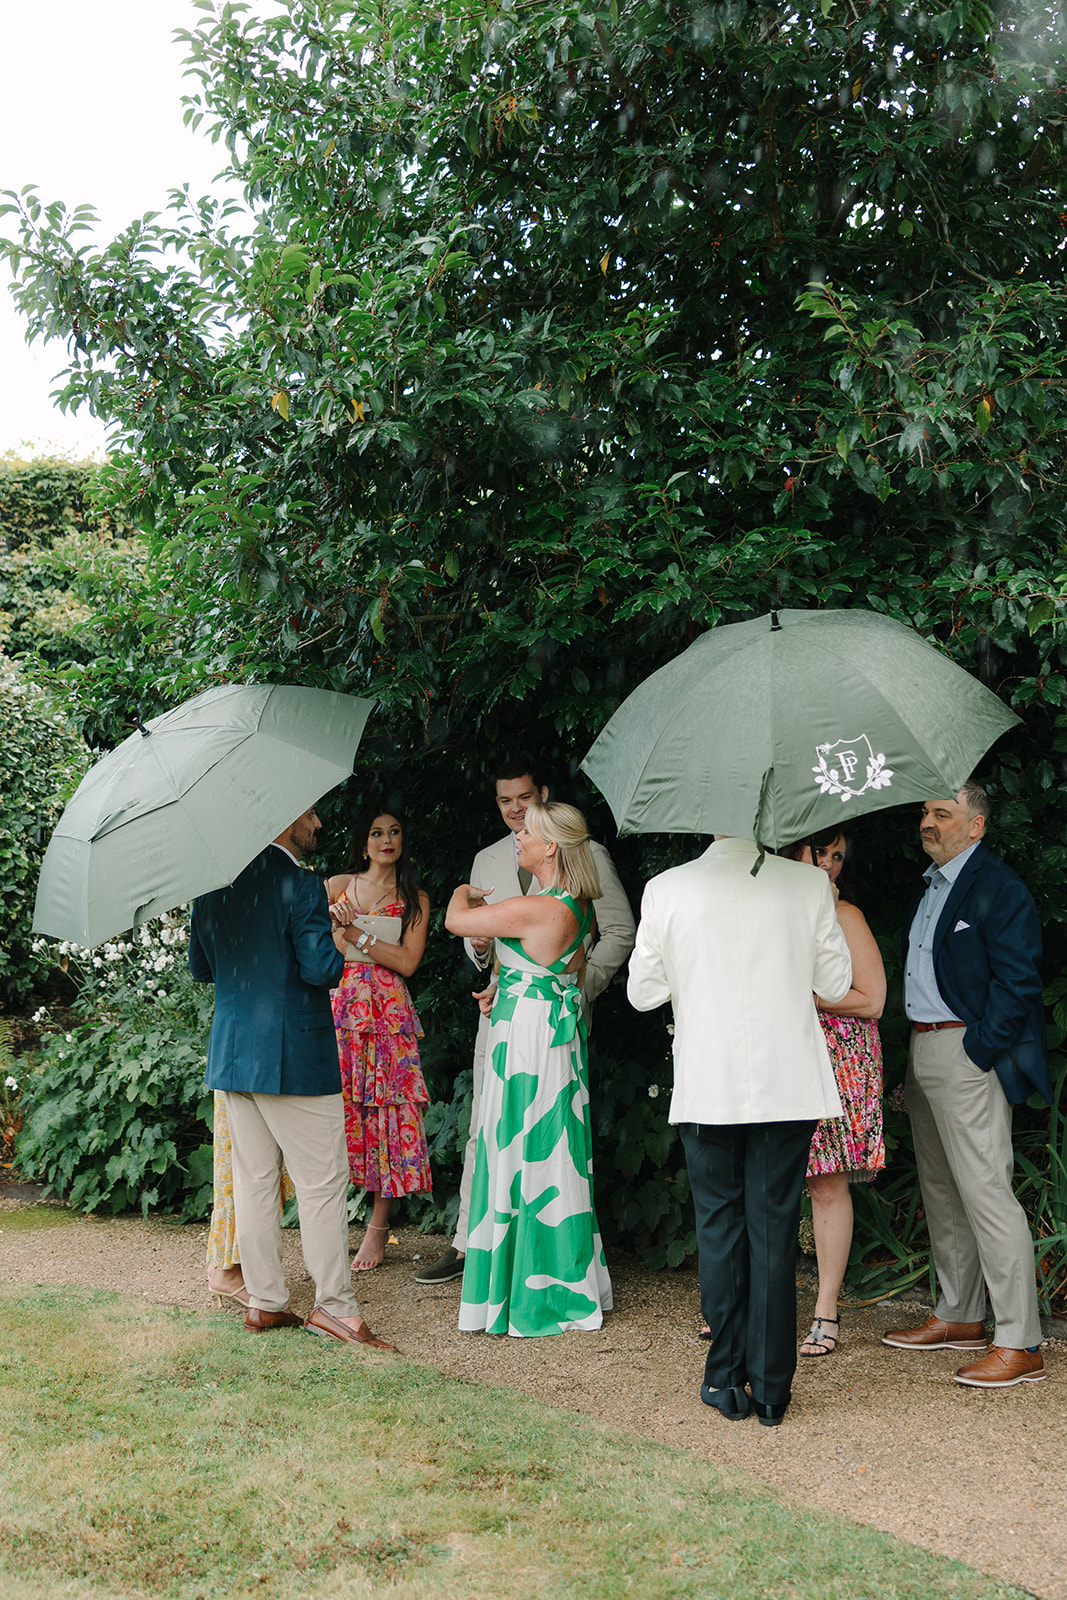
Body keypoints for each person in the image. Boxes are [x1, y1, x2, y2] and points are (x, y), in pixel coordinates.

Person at [628, 836, 851, 1425]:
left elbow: (643, 992)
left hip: (709, 1084)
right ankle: (773, 1390)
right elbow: (834, 983)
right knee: (774, 1228)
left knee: (719, 1226)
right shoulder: (806, 884)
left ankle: (726, 1379)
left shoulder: (666, 888)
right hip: (787, 1084)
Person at [416, 753, 635, 1285]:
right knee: (491, 1129)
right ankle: (475, 1239)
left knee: (532, 1137)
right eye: (505, 800)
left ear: (542, 798)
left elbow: (617, 933)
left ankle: (525, 1263)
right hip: (506, 1008)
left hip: (547, 1020)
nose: (515, 812)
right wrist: (491, 966)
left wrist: (572, 991)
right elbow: (485, 946)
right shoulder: (489, 857)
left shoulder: (586, 862)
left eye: (524, 799)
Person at [189, 804, 396, 1349]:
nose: (320, 825)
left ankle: (265, 1301)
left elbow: (201, 968)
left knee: (256, 1183)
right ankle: (336, 1310)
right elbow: (322, 970)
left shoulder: (210, 888)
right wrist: (327, 931)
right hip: (295, 1059)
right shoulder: (302, 887)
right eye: (310, 815)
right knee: (323, 1184)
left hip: (234, 1055)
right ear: (280, 819)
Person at [882, 782, 1052, 1388]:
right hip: (925, 1047)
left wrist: (978, 1049)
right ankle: (959, 1314)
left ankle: (1020, 1341)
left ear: (975, 826)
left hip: (966, 1050)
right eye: (925, 812)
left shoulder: (997, 887)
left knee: (985, 1189)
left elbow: (1018, 981)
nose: (927, 822)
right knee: (941, 1188)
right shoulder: (932, 886)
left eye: (942, 814)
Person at [444, 801, 613, 1336]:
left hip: (525, 1043)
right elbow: (569, 966)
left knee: (518, 1146)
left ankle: (527, 1288)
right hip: (549, 1034)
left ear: (551, 848)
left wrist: (462, 892)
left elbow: (455, 921)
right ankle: (557, 1274)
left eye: (528, 831)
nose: (518, 835)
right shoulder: (574, 905)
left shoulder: (537, 907)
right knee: (555, 1146)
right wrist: (507, 983)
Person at [783, 829, 886, 1358]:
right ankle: (754, 1301)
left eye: (837, 856)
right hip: (783, 1055)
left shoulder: (848, 918)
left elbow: (872, 1000)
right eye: (818, 851)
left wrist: (804, 995)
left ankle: (825, 1309)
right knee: (766, 1179)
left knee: (826, 1185)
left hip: (840, 1060)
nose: (827, 864)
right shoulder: (775, 912)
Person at [325, 807, 432, 1270]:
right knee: (336, 1109)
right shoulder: (334, 886)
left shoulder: (415, 898)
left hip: (388, 1014)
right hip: (341, 1008)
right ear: (362, 841)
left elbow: (408, 963)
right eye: (376, 832)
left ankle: (377, 1229)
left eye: (394, 831)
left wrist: (356, 935)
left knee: (389, 1113)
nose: (386, 840)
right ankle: (327, 1222)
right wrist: (335, 928)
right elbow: (318, 949)